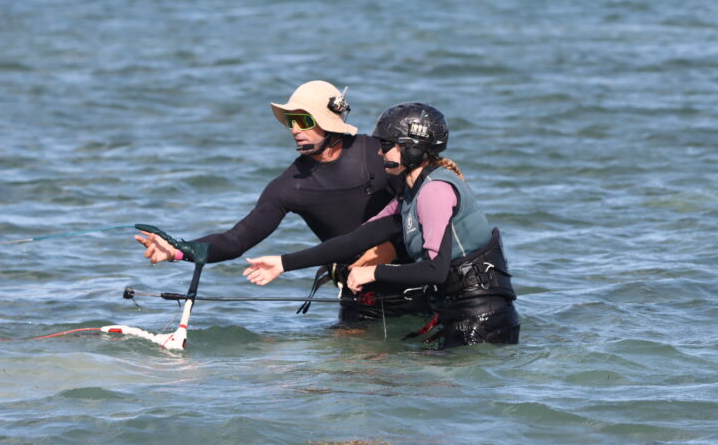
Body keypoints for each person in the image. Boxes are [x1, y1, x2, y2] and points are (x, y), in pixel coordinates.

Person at [134, 80, 430, 322]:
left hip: (421, 279)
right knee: (348, 372)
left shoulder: (378, 154)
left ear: (328, 122)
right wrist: (178, 251)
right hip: (360, 294)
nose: (294, 129)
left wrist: (392, 247)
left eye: (303, 120)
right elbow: (235, 241)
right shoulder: (290, 186)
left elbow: (424, 205)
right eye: (290, 121)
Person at [244, 102, 520, 349]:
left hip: (483, 318)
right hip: (457, 313)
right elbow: (355, 240)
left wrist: (373, 272)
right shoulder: (409, 194)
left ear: (411, 147)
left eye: (386, 145)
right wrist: (283, 263)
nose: (379, 151)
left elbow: (435, 270)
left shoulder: (435, 190)